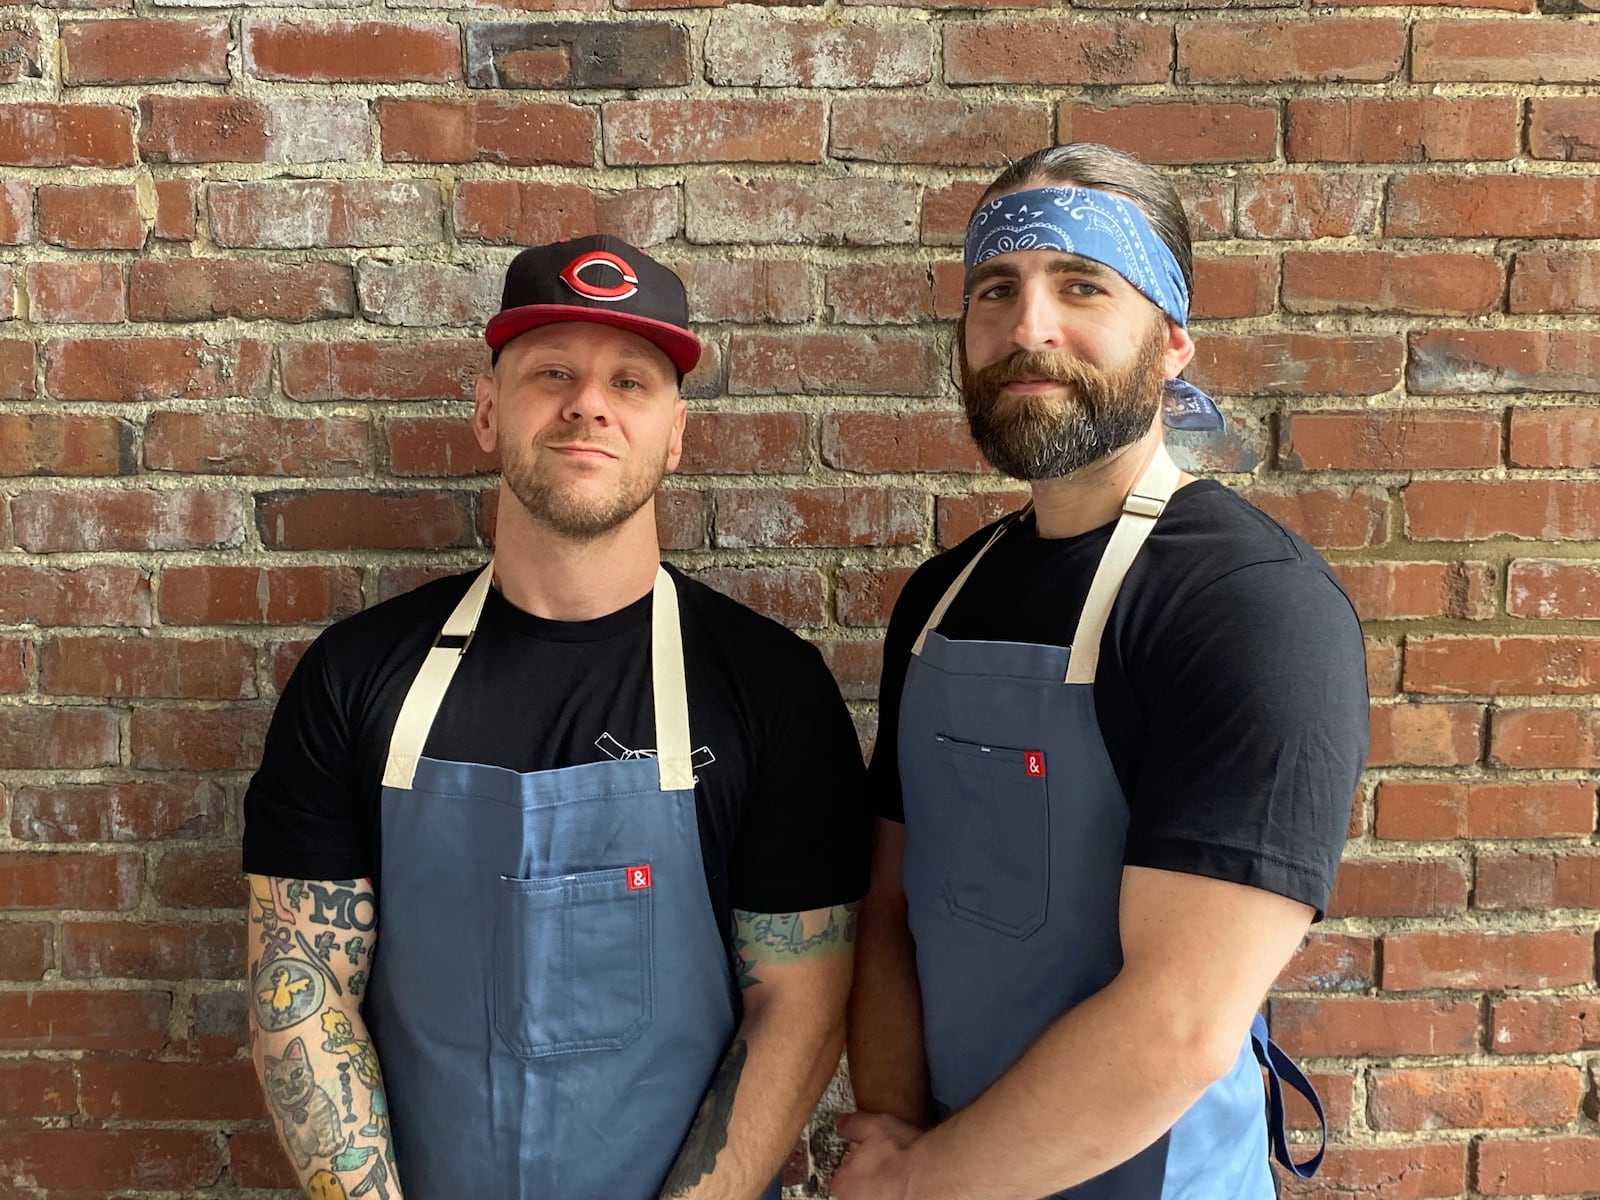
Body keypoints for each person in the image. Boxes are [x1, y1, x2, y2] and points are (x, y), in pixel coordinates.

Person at [243, 234, 872, 1200]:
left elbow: (801, 1004)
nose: (588, 403)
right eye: (552, 373)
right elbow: (304, 991)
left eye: (632, 381)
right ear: (489, 413)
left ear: (676, 434)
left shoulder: (771, 689)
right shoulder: (357, 677)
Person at [834, 145, 1369, 1200]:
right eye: (996, 288)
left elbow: (1179, 1024)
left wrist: (911, 1185)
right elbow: (888, 906)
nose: (1028, 326)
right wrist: (891, 1129)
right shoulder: (940, 599)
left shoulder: (1250, 606)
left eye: (1081, 285)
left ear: (1171, 341)